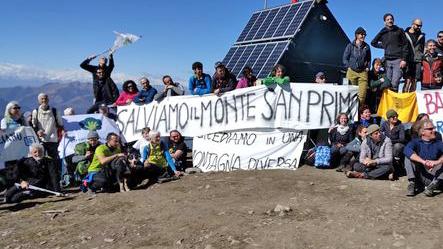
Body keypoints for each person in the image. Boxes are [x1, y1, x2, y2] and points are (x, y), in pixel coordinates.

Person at [403, 119, 443, 197]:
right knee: (408, 157)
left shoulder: (438, 143)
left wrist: (436, 162)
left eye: (434, 128)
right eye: (430, 129)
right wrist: (423, 162)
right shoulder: (415, 142)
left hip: (434, 176)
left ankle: (432, 186)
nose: (434, 130)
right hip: (421, 175)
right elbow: (406, 150)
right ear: (422, 132)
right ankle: (412, 183)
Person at [371, 13, 409, 92]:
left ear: (393, 20)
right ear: (385, 22)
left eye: (391, 19)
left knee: (395, 83)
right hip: (387, 61)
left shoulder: (399, 30)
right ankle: (387, 102)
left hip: (398, 60)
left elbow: (405, 45)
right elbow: (373, 42)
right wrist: (384, 45)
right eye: (387, 19)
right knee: (387, 84)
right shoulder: (383, 32)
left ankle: (394, 102)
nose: (390, 21)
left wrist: (404, 59)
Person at [31, 93, 64, 165]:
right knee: (41, 160)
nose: (44, 100)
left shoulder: (55, 111)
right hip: (41, 140)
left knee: (54, 159)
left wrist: (62, 131)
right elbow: (34, 125)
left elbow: (60, 124)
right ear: (39, 101)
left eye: (45, 98)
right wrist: (37, 131)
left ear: (48, 100)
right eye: (42, 99)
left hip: (53, 139)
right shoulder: (35, 112)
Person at [343, 27, 371, 105]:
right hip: (351, 72)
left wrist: (368, 67)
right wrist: (348, 66)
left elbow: (369, 59)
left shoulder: (367, 47)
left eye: (364, 34)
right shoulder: (350, 46)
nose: (363, 36)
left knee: (362, 95)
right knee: (350, 93)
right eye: (361, 34)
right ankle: (350, 112)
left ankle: (358, 111)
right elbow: (345, 58)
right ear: (356, 35)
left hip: (363, 73)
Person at [380, 109, 406, 176]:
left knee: (398, 146)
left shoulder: (400, 125)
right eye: (393, 117)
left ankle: (394, 166)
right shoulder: (385, 124)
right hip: (387, 144)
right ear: (389, 118)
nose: (395, 118)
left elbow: (402, 139)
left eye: (396, 116)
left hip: (396, 145)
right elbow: (380, 133)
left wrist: (391, 141)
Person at [403, 19, 425, 92]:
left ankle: (411, 101)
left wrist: (421, 58)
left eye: (420, 26)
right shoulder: (404, 34)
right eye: (418, 25)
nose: (419, 27)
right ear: (413, 24)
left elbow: (422, 49)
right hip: (408, 60)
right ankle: (404, 100)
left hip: (417, 61)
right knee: (407, 81)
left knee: (414, 81)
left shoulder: (422, 36)